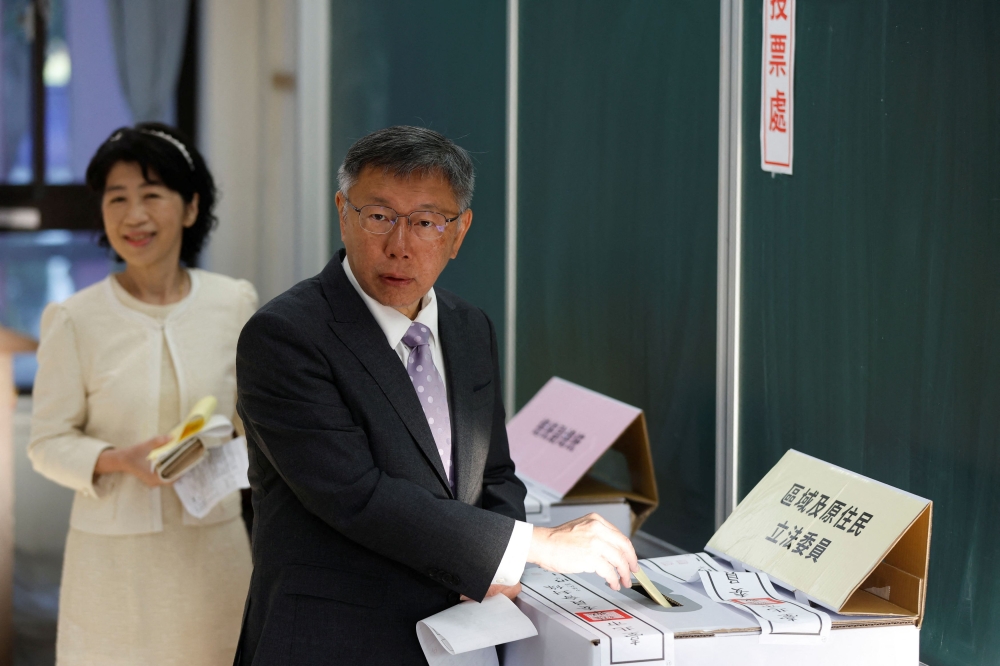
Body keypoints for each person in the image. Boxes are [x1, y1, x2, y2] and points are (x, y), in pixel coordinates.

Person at [235, 125, 638, 665]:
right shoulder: (285, 335)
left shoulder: (469, 328)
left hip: (459, 636)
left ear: (458, 231)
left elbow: (494, 473)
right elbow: (358, 496)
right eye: (379, 217)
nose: (399, 245)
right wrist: (529, 547)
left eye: (425, 222)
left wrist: (496, 571)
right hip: (331, 639)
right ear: (343, 212)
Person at [28, 123, 257, 665]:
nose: (133, 215)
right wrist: (116, 460)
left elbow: (255, 425)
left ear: (190, 207)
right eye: (118, 198)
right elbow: (46, 442)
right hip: (111, 566)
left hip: (214, 555)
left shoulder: (235, 303)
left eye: (152, 195)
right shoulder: (74, 318)